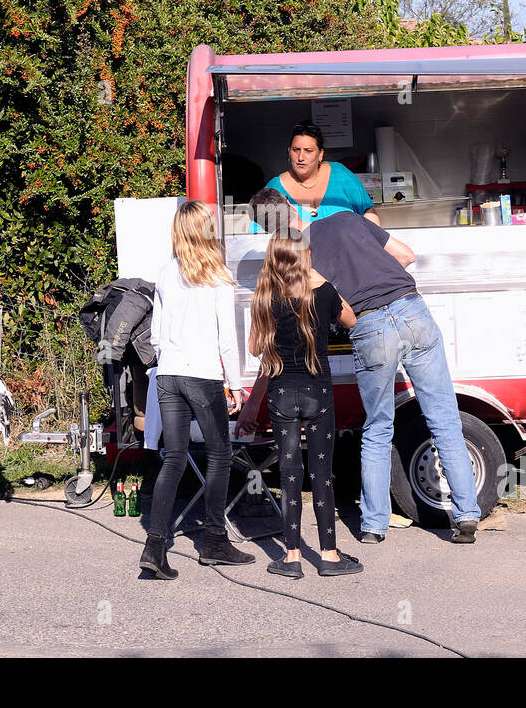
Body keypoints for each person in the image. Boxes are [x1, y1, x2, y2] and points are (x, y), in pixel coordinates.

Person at [248, 188, 480, 545]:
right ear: (293, 207)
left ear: (266, 229)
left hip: (370, 326)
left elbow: (315, 312)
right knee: (444, 418)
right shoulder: (346, 218)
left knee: (377, 428)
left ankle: (374, 526)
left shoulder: (297, 259)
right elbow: (406, 255)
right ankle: (465, 517)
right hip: (411, 308)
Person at [139, 201, 254, 579]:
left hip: (168, 373)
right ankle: (214, 540)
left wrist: (171, 357)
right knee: (220, 454)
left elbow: (154, 336)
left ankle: (155, 546)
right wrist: (235, 384)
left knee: (173, 457)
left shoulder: (165, 272)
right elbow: (227, 339)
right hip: (202, 375)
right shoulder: (217, 275)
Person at [248, 233, 363, 578]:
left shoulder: (265, 298)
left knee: (289, 473)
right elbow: (352, 320)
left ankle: (292, 557)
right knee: (321, 474)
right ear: (304, 256)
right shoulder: (323, 292)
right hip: (318, 393)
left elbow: (255, 348)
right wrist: (323, 281)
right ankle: (328, 555)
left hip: (282, 392)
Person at [264, 122, 380, 226]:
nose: (300, 157)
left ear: (320, 154)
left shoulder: (340, 174)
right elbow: (258, 232)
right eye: (296, 150)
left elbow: (368, 212)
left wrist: (368, 245)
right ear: (289, 152)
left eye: (308, 151)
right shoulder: (275, 188)